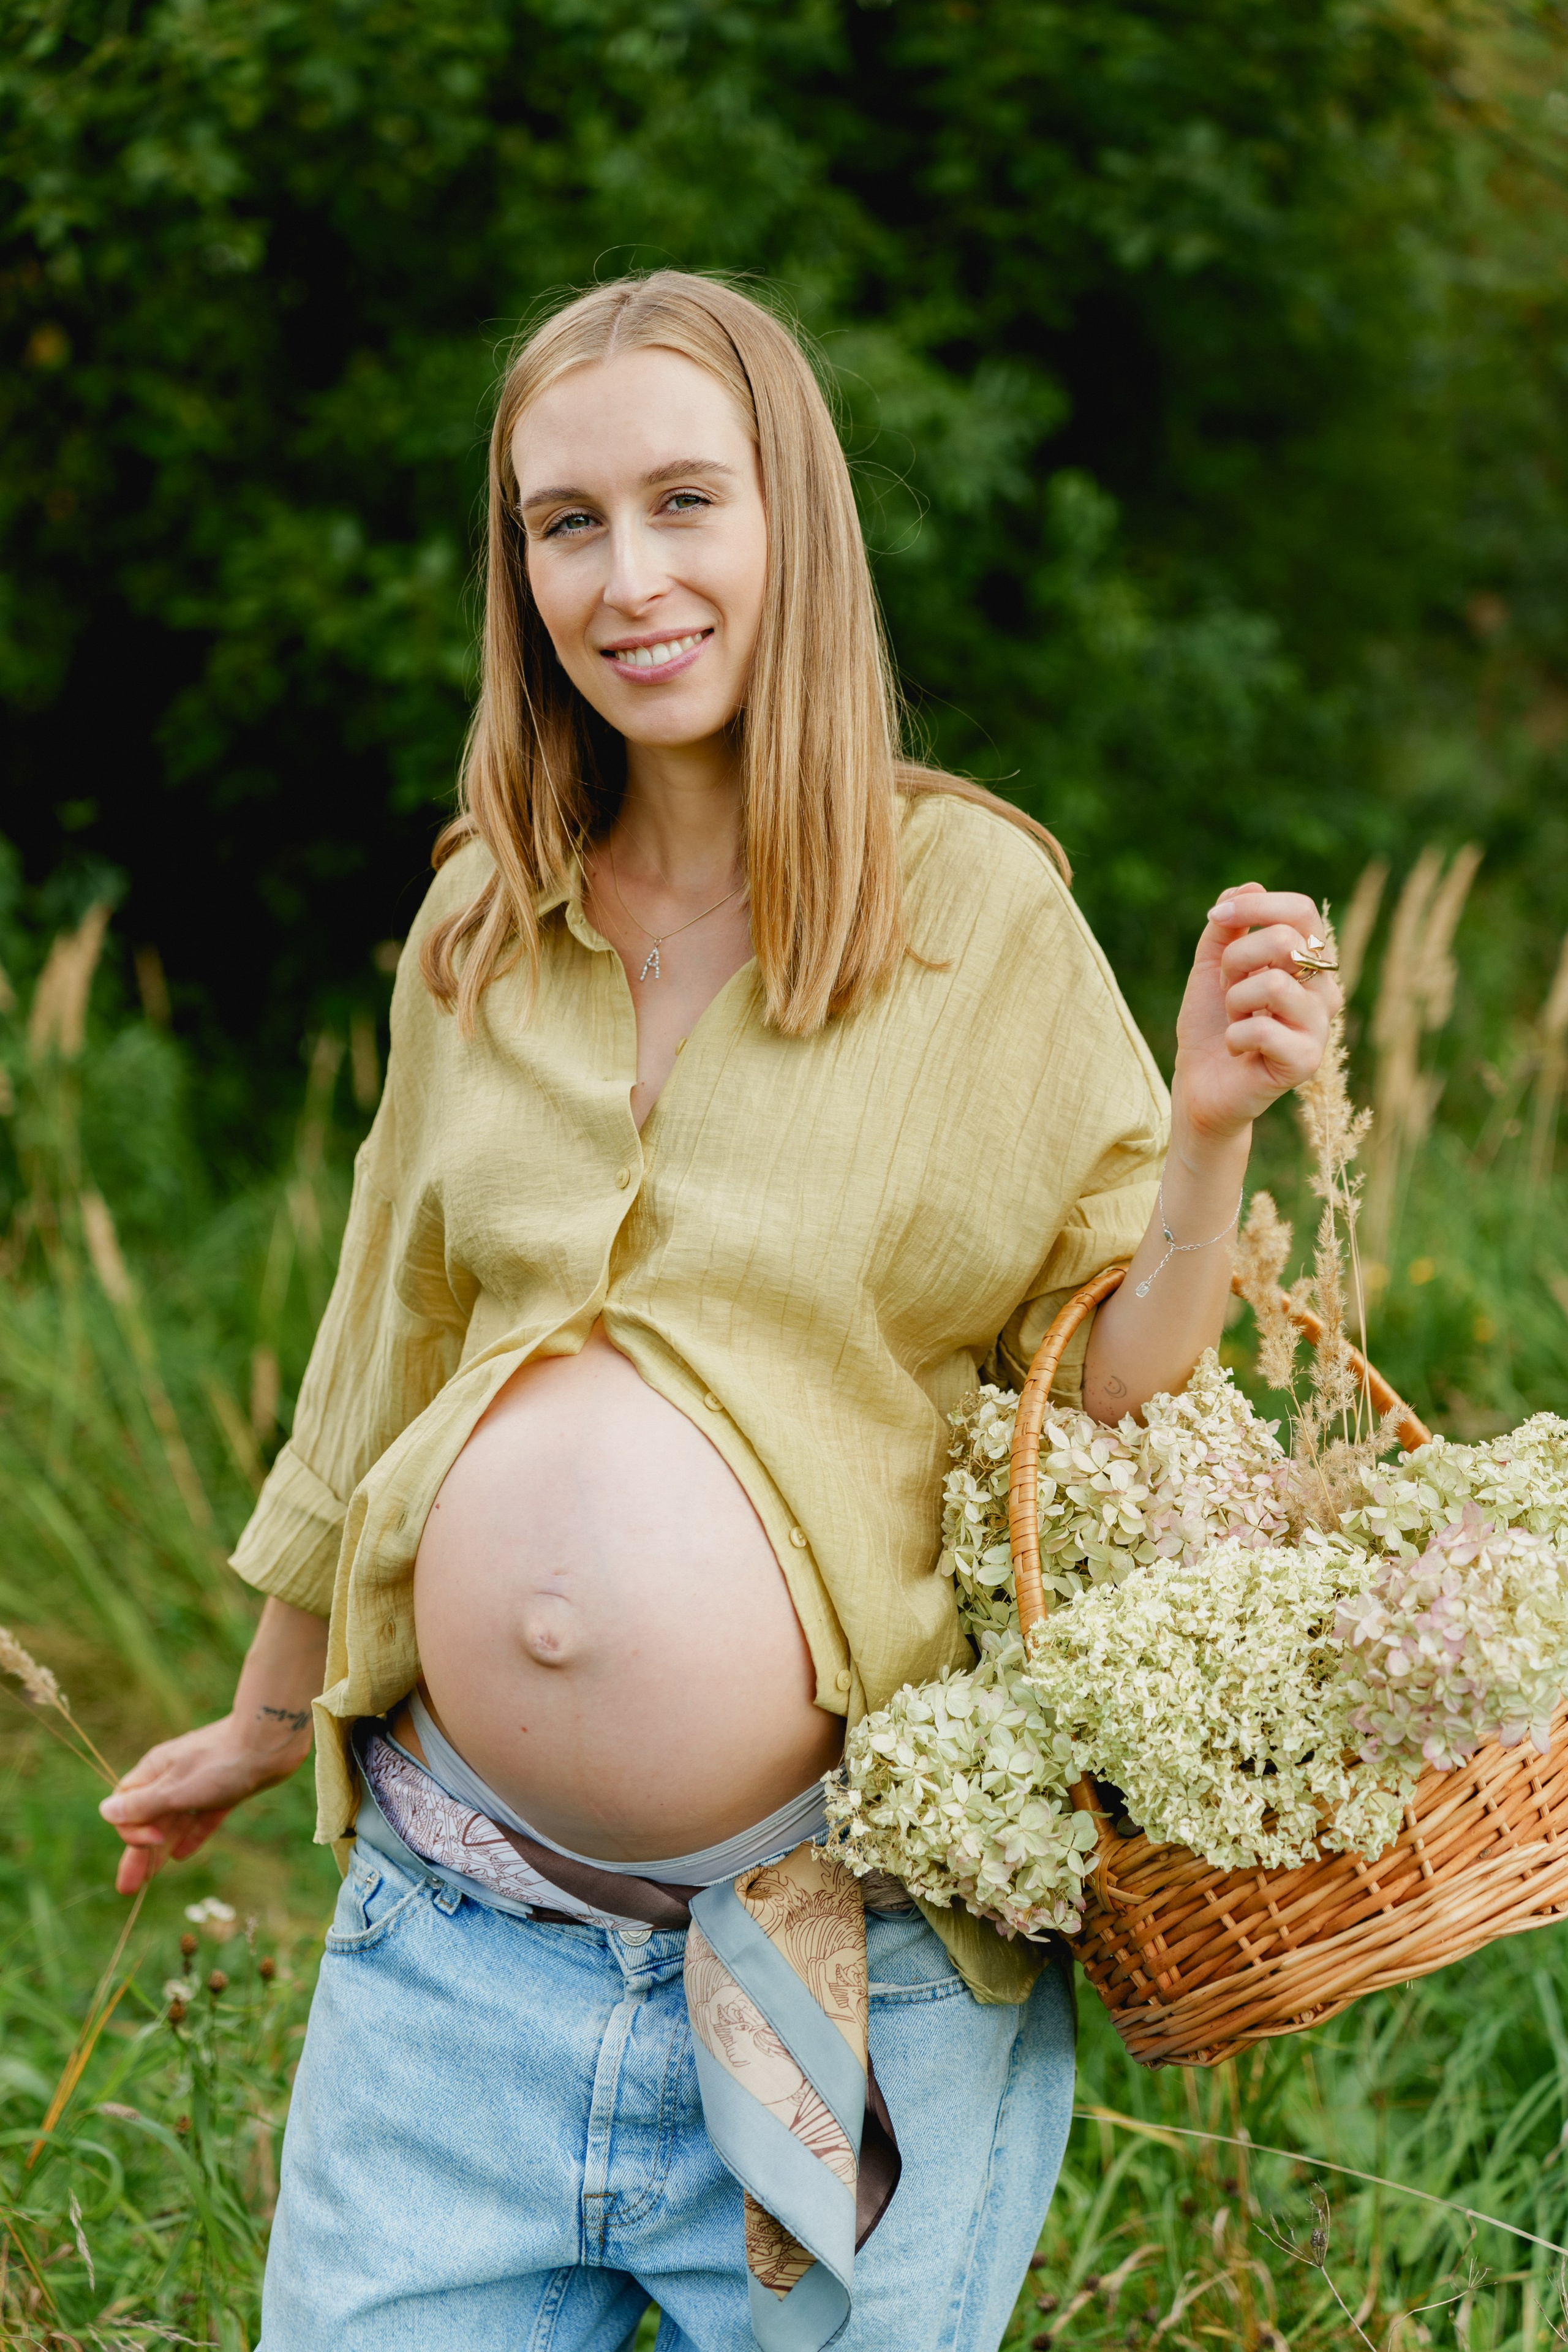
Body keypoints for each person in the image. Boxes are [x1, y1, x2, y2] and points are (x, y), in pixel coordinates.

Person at [100, 272, 1337, 2352]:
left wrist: (1211, 1133)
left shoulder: (980, 913)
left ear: (795, 527)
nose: (629, 576)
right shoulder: (483, 921)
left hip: (846, 1973)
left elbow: (1107, 1396)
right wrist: (260, 1702)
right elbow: (371, 1352)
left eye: (688, 501)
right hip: (458, 1960)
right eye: (566, 522)